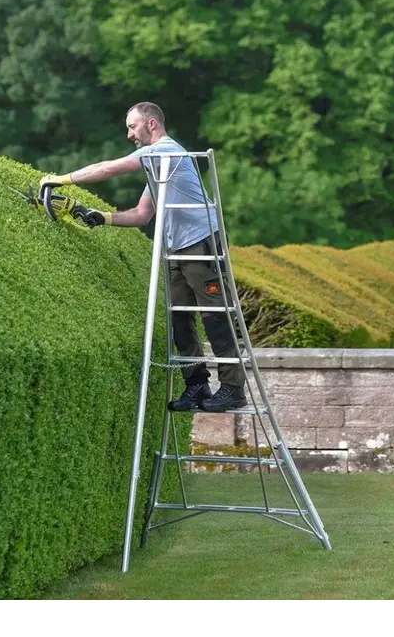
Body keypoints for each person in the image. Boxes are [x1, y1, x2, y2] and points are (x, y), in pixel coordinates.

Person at [39, 101, 247, 413]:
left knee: (215, 316)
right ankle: (197, 385)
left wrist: (60, 179)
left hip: (203, 242)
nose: (129, 135)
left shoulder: (166, 151)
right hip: (178, 247)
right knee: (179, 318)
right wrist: (102, 217)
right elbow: (141, 215)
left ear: (151, 124)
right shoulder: (158, 167)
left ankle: (232, 389)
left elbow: (111, 168)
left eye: (132, 127)